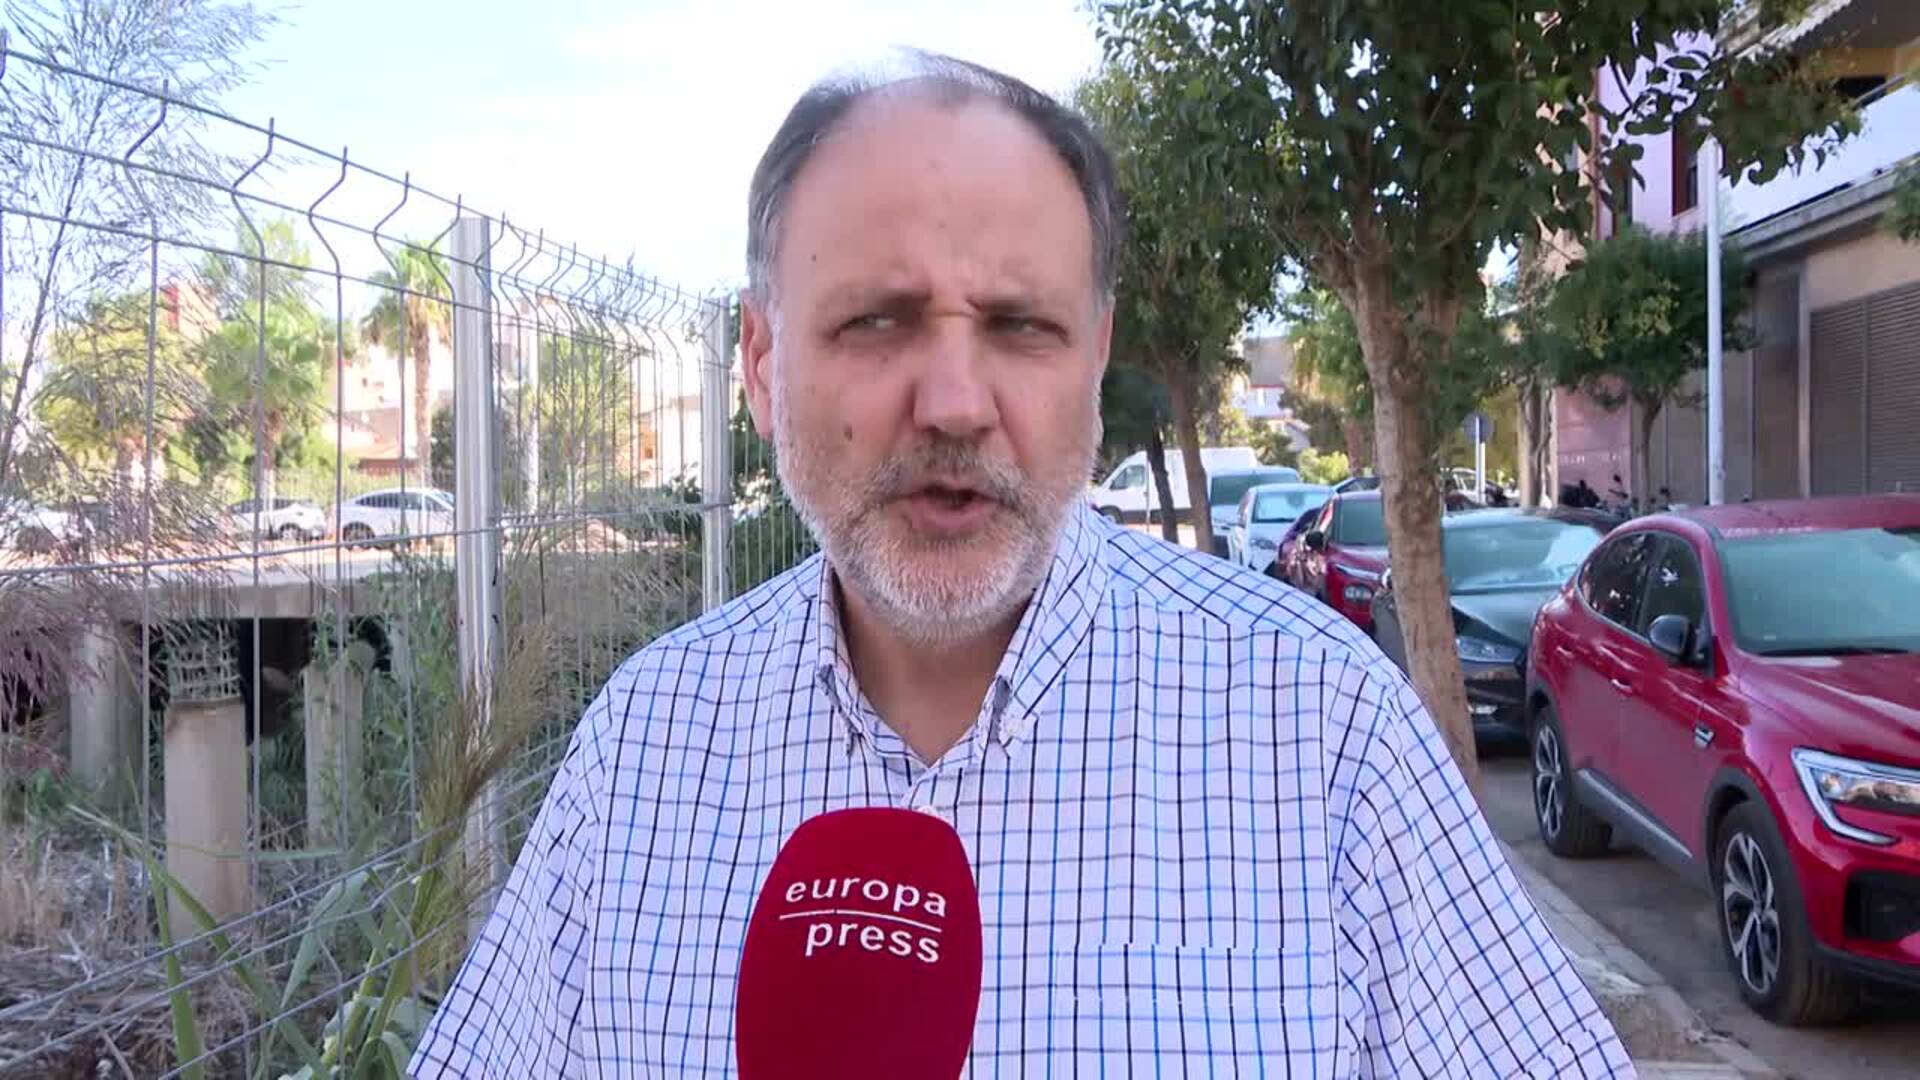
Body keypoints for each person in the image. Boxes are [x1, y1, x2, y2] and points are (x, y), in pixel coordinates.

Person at [411, 52, 1629, 1077]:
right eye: (878, 319)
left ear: (1093, 359)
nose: (955, 402)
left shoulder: (1324, 733)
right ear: (764, 363)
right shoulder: (644, 748)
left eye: (1020, 327)